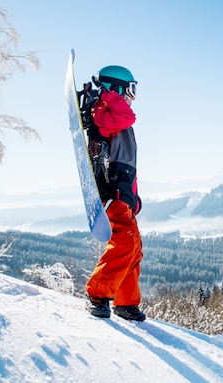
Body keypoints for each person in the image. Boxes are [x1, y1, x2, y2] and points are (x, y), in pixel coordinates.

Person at [84, 65, 145, 322]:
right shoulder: (103, 113)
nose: (132, 96)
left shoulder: (117, 117)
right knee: (125, 242)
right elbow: (125, 116)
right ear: (117, 89)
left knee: (134, 248)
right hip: (113, 192)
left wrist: (135, 196)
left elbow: (126, 162)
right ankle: (98, 293)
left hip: (125, 194)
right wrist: (106, 95)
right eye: (129, 89)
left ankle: (125, 302)